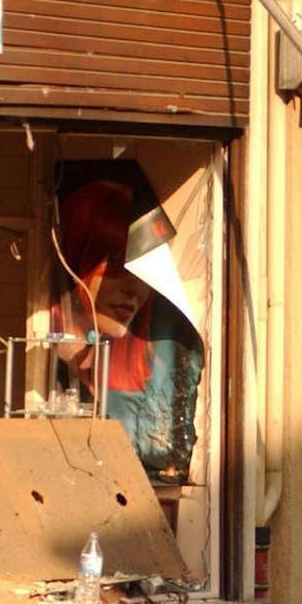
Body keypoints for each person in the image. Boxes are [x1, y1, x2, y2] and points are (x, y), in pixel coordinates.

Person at [55, 179, 204, 482]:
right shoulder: (41, 358)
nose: (134, 289)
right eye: (116, 266)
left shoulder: (149, 358)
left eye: (143, 274)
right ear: (77, 257)